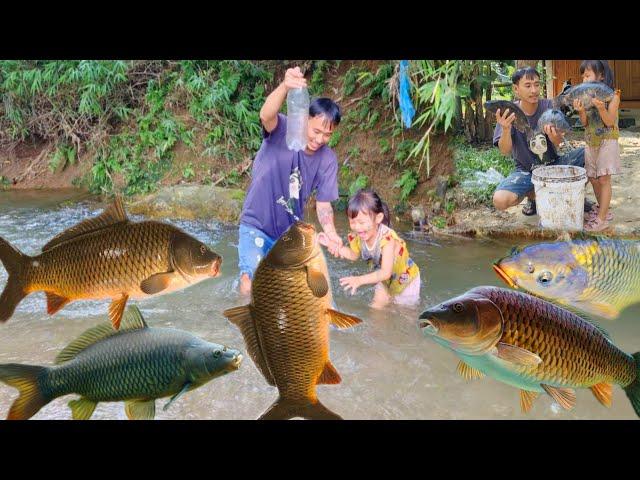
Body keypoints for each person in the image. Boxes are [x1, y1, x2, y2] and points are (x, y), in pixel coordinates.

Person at [237, 67, 343, 295]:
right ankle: (246, 325)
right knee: (250, 279)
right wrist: (286, 86)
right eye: (316, 131)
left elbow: (324, 204)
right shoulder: (282, 128)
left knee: (286, 293)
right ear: (305, 118)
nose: (319, 139)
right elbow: (265, 115)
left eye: (327, 135)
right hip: (256, 222)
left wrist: (332, 233)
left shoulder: (328, 160)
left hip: (288, 235)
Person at [492, 67, 586, 216]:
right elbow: (504, 150)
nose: (534, 90)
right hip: (526, 172)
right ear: (516, 89)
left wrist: (554, 136)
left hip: (554, 165)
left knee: (589, 155)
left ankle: (575, 194)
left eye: (537, 84)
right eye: (528, 85)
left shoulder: (549, 106)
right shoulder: (509, 112)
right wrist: (505, 130)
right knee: (500, 200)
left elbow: (558, 141)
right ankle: (536, 197)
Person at [318, 189, 421, 309]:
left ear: (378, 218)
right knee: (375, 309)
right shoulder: (358, 236)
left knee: (404, 314)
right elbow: (353, 255)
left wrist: (359, 280)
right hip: (385, 281)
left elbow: (385, 272)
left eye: (361, 222)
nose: (357, 227)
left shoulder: (387, 239)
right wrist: (332, 245)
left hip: (406, 281)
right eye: (353, 222)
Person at [574, 60, 621, 232]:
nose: (584, 79)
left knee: (604, 179)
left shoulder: (613, 95)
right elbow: (585, 123)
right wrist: (580, 111)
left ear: (601, 75)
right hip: (590, 141)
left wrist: (601, 108)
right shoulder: (586, 95)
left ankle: (601, 219)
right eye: (583, 76)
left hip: (607, 141)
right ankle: (604, 210)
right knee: (593, 178)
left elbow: (609, 122)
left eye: (587, 75)